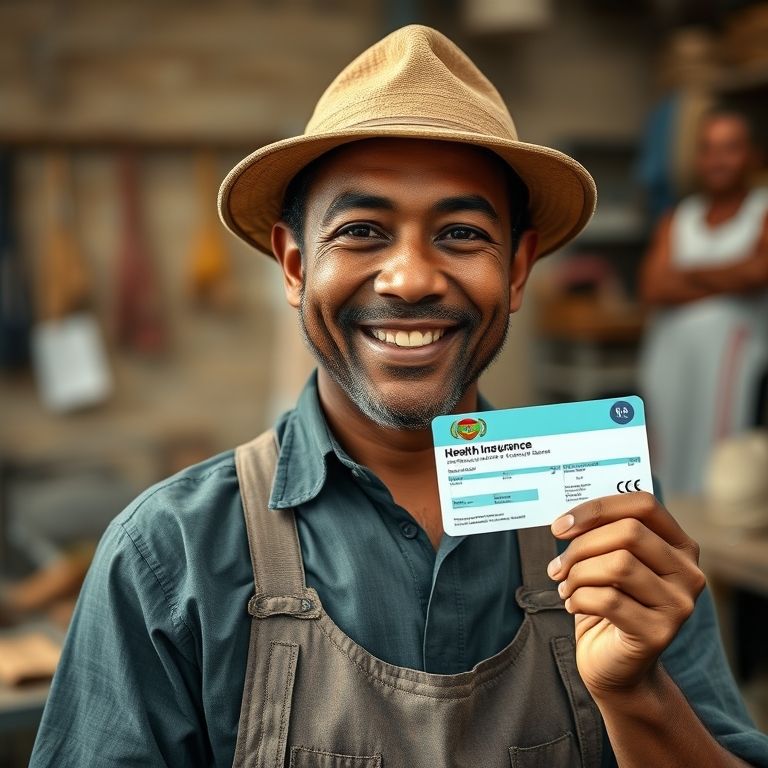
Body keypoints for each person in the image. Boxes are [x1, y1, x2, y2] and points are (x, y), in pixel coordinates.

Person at [30, 26, 767, 768]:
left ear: (517, 270)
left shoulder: (610, 521)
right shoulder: (169, 555)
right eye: (360, 231)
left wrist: (637, 695)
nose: (410, 279)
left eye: (459, 233)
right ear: (294, 265)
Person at [640, 109, 768, 496]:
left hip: (734, 356)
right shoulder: (680, 217)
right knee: (665, 447)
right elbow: (653, 286)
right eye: (709, 149)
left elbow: (758, 273)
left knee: (722, 457)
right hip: (668, 355)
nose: (718, 160)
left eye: (730, 148)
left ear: (752, 155)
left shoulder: (762, 208)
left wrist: (688, 273)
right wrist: (728, 276)